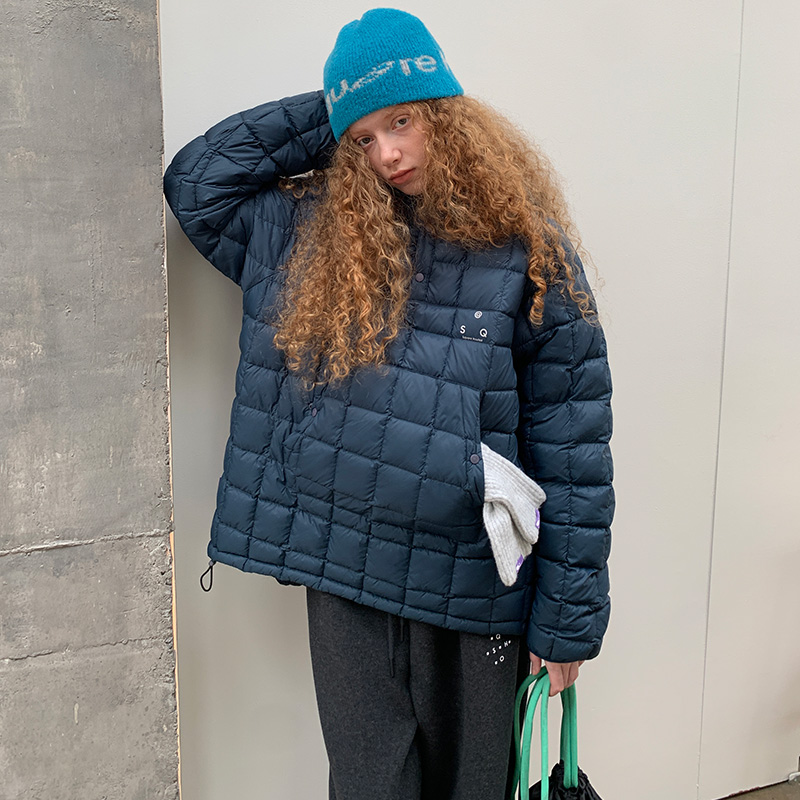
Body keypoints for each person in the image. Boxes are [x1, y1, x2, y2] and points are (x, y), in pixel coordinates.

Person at [164, 8, 614, 800]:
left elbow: (573, 441)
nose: (389, 154)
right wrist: (345, 107)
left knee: (475, 786)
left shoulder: (528, 249)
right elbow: (198, 183)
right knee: (370, 786)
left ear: (450, 113)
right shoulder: (307, 235)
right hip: (345, 569)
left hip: (475, 580)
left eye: (404, 121)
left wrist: (566, 620)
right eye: (364, 141)